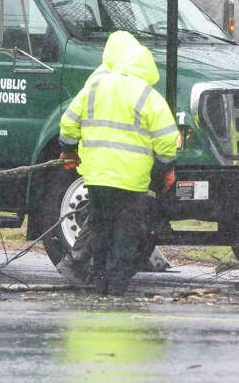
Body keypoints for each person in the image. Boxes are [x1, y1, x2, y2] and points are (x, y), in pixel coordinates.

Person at [59, 31, 178, 296]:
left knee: (101, 228)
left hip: (97, 177)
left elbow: (68, 123)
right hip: (132, 182)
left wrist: (69, 150)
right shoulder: (147, 95)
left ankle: (99, 281)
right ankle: (116, 286)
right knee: (126, 234)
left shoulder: (94, 87)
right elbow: (167, 138)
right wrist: (166, 168)